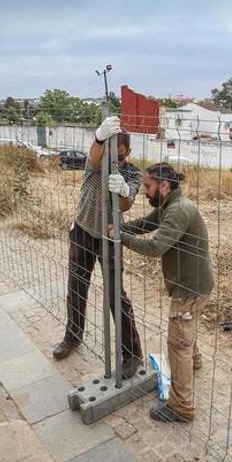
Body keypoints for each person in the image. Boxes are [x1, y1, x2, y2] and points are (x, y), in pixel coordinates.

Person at [116, 162, 215, 423]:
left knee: (177, 345)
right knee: (186, 333)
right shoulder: (170, 205)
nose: (144, 192)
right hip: (194, 286)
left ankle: (181, 407)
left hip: (189, 290)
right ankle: (194, 361)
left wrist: (119, 238)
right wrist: (121, 227)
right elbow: (146, 224)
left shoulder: (178, 211)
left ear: (164, 185)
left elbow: (155, 248)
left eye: (147, 187)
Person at [53, 116, 144, 380]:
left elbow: (127, 203)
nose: (118, 161)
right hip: (82, 231)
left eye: (123, 156)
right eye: (112, 155)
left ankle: (131, 353)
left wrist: (124, 191)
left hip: (110, 237)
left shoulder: (132, 172)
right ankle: (72, 337)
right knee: (77, 287)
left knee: (117, 296)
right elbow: (94, 158)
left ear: (129, 153)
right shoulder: (95, 164)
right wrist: (98, 138)